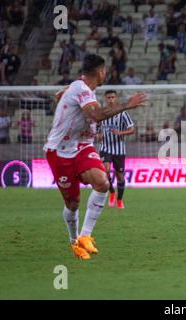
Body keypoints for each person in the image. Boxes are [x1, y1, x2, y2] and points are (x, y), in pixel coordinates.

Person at [43, 54, 147, 260]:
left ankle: (85, 236)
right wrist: (127, 104)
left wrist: (63, 93)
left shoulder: (82, 88)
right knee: (72, 204)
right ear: (100, 71)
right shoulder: (81, 89)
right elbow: (96, 115)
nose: (106, 73)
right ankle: (74, 242)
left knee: (102, 182)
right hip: (59, 152)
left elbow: (74, 93)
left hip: (82, 147)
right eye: (105, 70)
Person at [97, 90, 135, 209]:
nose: (111, 100)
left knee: (119, 175)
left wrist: (120, 132)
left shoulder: (122, 113)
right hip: (105, 147)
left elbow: (132, 129)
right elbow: (96, 130)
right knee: (105, 170)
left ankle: (119, 199)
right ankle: (112, 192)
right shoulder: (101, 113)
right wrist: (98, 136)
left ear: (116, 98)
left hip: (119, 149)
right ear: (105, 99)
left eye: (113, 97)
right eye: (108, 98)